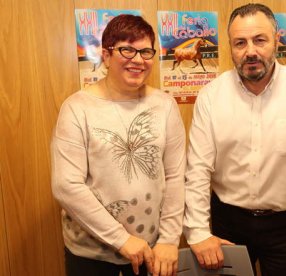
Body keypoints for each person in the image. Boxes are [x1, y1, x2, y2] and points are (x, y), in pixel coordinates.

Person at [183, 3, 286, 276]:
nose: (250, 51)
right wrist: (198, 231)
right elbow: (198, 170)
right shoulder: (211, 96)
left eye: (260, 40)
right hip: (227, 223)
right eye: (240, 43)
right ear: (230, 47)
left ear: (277, 41)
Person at [51, 14, 186, 276]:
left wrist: (170, 239)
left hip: (154, 253)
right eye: (127, 49)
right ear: (106, 54)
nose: (138, 60)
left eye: (146, 51)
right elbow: (66, 186)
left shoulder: (165, 105)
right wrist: (121, 239)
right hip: (91, 256)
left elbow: (175, 175)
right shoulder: (77, 108)